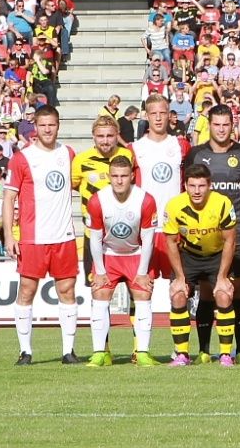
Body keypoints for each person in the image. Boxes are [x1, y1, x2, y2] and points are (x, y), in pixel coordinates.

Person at [183, 105, 240, 365]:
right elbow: (186, 191)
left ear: (232, 125)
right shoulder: (196, 154)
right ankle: (204, 350)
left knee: (239, 292)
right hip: (207, 237)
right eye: (216, 124)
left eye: (226, 124)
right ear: (209, 125)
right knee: (207, 291)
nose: (221, 129)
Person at [4, 106, 80, 365]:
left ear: (58, 125)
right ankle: (25, 351)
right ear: (35, 127)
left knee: (67, 290)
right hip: (32, 237)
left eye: (52, 124)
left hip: (64, 236)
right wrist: (9, 235)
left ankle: (68, 351)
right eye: (43, 125)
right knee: (27, 290)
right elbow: (8, 198)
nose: (48, 129)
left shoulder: (68, 153)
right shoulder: (21, 158)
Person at [84, 156, 162, 367]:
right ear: (108, 176)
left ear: (132, 176)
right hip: (108, 254)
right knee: (99, 294)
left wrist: (143, 272)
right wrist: (100, 272)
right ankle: (100, 353)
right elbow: (95, 239)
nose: (119, 181)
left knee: (143, 295)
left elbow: (148, 239)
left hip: (136, 253)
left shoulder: (145, 200)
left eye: (124, 176)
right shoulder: (97, 201)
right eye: (115, 176)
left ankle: (142, 352)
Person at [128, 95, 190, 346]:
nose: (158, 118)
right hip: (146, 231)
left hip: (175, 230)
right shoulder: (134, 149)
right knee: (142, 290)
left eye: (162, 113)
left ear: (169, 115)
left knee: (179, 289)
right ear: (146, 116)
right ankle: (139, 349)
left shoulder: (181, 145)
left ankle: (180, 351)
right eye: (153, 113)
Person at [71, 115, 134, 359]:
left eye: (110, 135)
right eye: (101, 136)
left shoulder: (128, 156)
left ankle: (138, 349)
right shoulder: (80, 161)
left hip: (127, 237)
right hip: (94, 237)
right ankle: (103, 350)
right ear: (93, 136)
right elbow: (73, 187)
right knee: (99, 292)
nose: (105, 140)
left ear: (117, 135)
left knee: (136, 291)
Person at [165, 163, 238, 367]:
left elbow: (230, 240)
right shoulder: (174, 205)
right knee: (178, 294)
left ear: (209, 185)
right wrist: (180, 277)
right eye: (192, 186)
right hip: (188, 256)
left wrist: (222, 277)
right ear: (185, 186)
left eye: (201, 186)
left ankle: (225, 355)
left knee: (223, 294)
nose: (197, 191)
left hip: (217, 255)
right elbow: (170, 242)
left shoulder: (223, 203)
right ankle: (182, 355)